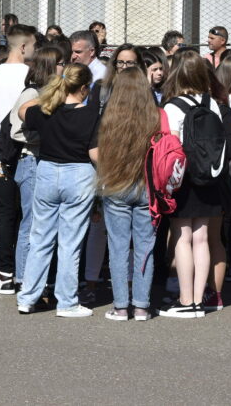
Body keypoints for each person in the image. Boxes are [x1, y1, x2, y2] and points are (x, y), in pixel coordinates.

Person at [15, 63, 99, 318]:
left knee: (40, 238)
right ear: (85, 88)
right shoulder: (93, 115)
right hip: (80, 173)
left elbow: (21, 111)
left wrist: (49, 95)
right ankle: (67, 302)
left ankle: (28, 297)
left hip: (48, 171)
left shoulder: (45, 111)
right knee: (70, 243)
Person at [161, 50, 227, 318]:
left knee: (182, 237)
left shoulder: (172, 105)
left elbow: (171, 148)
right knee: (202, 239)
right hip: (211, 177)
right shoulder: (213, 104)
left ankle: (185, 300)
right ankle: (200, 300)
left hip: (184, 179)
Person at [96, 67, 160, 321]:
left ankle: (121, 306)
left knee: (118, 247)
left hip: (116, 184)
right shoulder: (154, 116)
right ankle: (142, 306)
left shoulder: (110, 116)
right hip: (146, 186)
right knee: (145, 247)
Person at [0, 24, 36, 294]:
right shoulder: (33, 76)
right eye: (33, 46)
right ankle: (28, 272)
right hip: (29, 153)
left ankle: (4, 274)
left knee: (3, 216)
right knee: (29, 215)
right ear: (23, 47)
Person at [8, 46, 63, 285]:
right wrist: (49, 136)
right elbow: (16, 131)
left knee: (47, 223)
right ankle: (22, 278)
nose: (64, 67)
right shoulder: (31, 94)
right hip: (31, 160)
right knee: (31, 223)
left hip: (46, 161)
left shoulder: (55, 92)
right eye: (61, 63)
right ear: (50, 66)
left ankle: (42, 279)